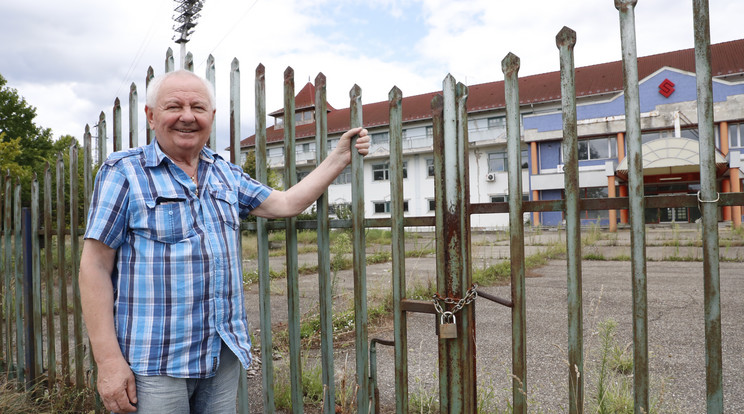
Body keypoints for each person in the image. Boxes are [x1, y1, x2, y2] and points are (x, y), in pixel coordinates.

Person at [79, 69, 370, 413]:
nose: (187, 116)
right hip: (153, 364)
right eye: (174, 106)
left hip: (221, 356)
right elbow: (94, 265)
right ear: (151, 116)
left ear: (211, 118)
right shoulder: (123, 171)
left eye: (198, 108)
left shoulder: (224, 172)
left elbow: (286, 203)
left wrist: (339, 159)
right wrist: (109, 361)